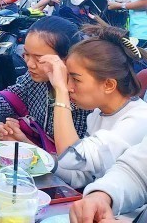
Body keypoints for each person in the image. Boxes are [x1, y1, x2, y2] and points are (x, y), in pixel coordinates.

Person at [41, 24, 147, 189]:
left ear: (109, 85)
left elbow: (72, 157)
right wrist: (39, 158)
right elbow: (84, 174)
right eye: (67, 78)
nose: (69, 87)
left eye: (75, 79)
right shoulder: (98, 114)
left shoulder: (137, 120)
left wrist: (60, 91)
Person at [0, 17, 90, 145]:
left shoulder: (83, 100)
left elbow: (72, 157)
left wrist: (24, 141)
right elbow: (16, 94)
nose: (30, 64)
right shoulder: (37, 78)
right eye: (26, 54)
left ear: (66, 58)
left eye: (39, 59)